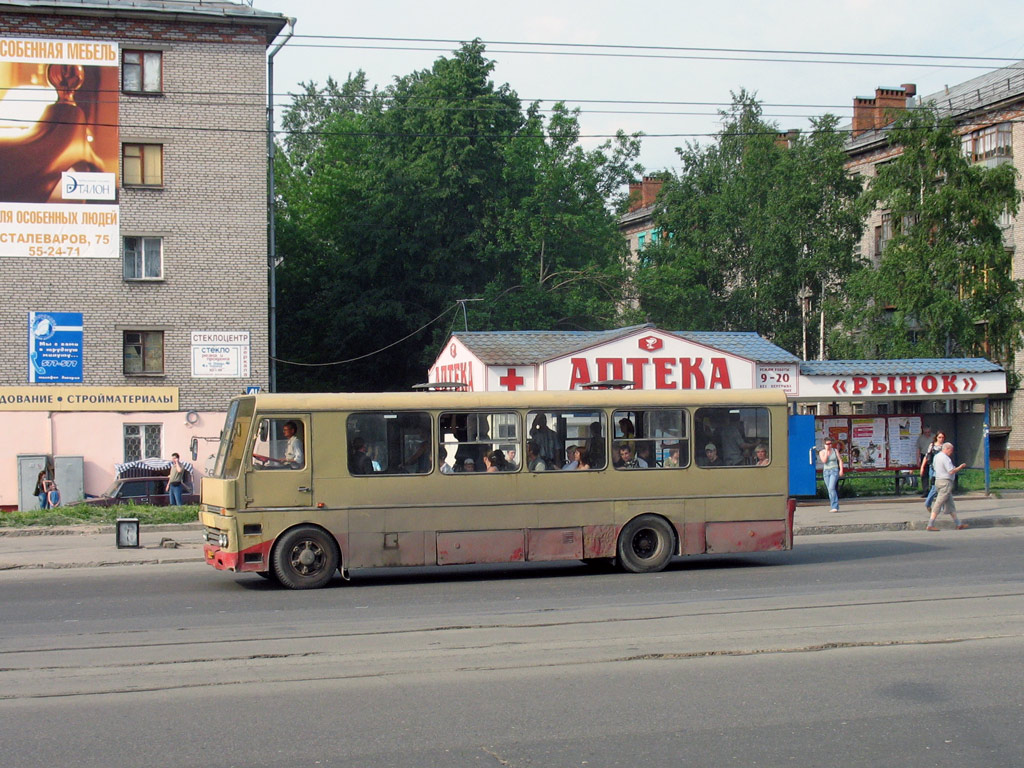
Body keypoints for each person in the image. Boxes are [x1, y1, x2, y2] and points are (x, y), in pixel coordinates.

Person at [927, 442, 969, 531]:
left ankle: (958, 524)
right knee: (939, 503)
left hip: (938, 481)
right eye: (951, 450)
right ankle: (930, 524)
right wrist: (960, 467)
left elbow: (934, 467)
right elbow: (951, 471)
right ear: (947, 449)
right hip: (945, 483)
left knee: (950, 504)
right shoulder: (945, 458)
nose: (951, 452)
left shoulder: (937, 456)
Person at [922, 431, 946, 512]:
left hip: (942, 469)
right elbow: (927, 456)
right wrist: (922, 467)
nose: (941, 439)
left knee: (942, 488)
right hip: (933, 468)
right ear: (936, 437)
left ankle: (942, 507)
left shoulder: (945, 446)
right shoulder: (932, 446)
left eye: (943, 437)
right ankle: (928, 503)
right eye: (939, 437)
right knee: (934, 487)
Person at [819, 437, 844, 513]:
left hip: (834, 470)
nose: (829, 445)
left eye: (830, 444)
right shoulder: (822, 452)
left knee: (831, 487)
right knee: (829, 489)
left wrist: (841, 470)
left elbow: (840, 460)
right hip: (826, 471)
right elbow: (824, 460)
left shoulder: (835, 451)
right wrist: (826, 451)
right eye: (827, 444)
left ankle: (835, 506)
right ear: (824, 444)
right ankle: (833, 505)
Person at [916, 426, 934, 495]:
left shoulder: (934, 437)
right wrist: (918, 460)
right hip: (924, 455)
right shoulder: (920, 438)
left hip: (932, 455)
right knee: (924, 474)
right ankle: (925, 490)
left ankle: (933, 490)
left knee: (933, 474)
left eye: (928, 432)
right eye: (925, 432)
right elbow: (918, 450)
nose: (927, 434)